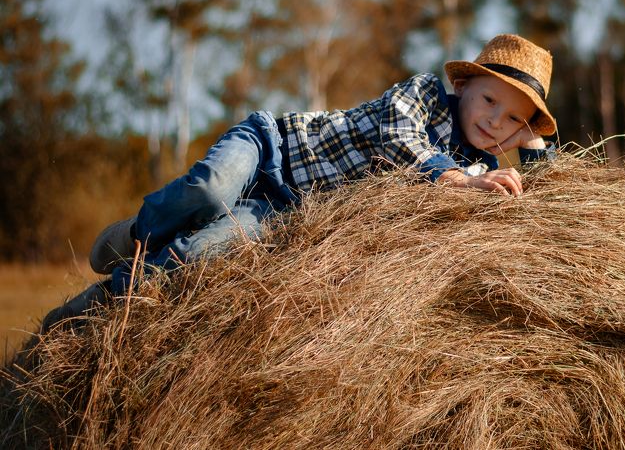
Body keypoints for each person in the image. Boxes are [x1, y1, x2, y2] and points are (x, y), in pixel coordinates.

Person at [41, 34, 557, 331]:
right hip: (273, 145)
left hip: (286, 208)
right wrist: (451, 178)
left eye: (512, 119)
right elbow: (401, 141)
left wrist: (535, 143)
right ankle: (137, 233)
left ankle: (80, 317)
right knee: (210, 190)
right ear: (463, 85)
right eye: (490, 101)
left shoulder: (481, 172)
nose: (495, 121)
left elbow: (549, 197)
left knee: (195, 258)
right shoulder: (421, 95)